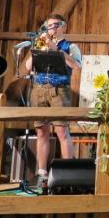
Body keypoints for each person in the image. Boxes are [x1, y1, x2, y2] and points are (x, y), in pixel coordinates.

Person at [25, 14, 82, 190]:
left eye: (56, 25)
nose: (52, 29)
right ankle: (42, 173)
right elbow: (27, 67)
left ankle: (68, 174)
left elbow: (76, 65)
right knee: (42, 131)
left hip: (59, 91)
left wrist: (55, 49)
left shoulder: (71, 46)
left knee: (62, 131)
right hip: (39, 90)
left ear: (64, 27)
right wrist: (39, 48)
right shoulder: (40, 43)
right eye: (49, 26)